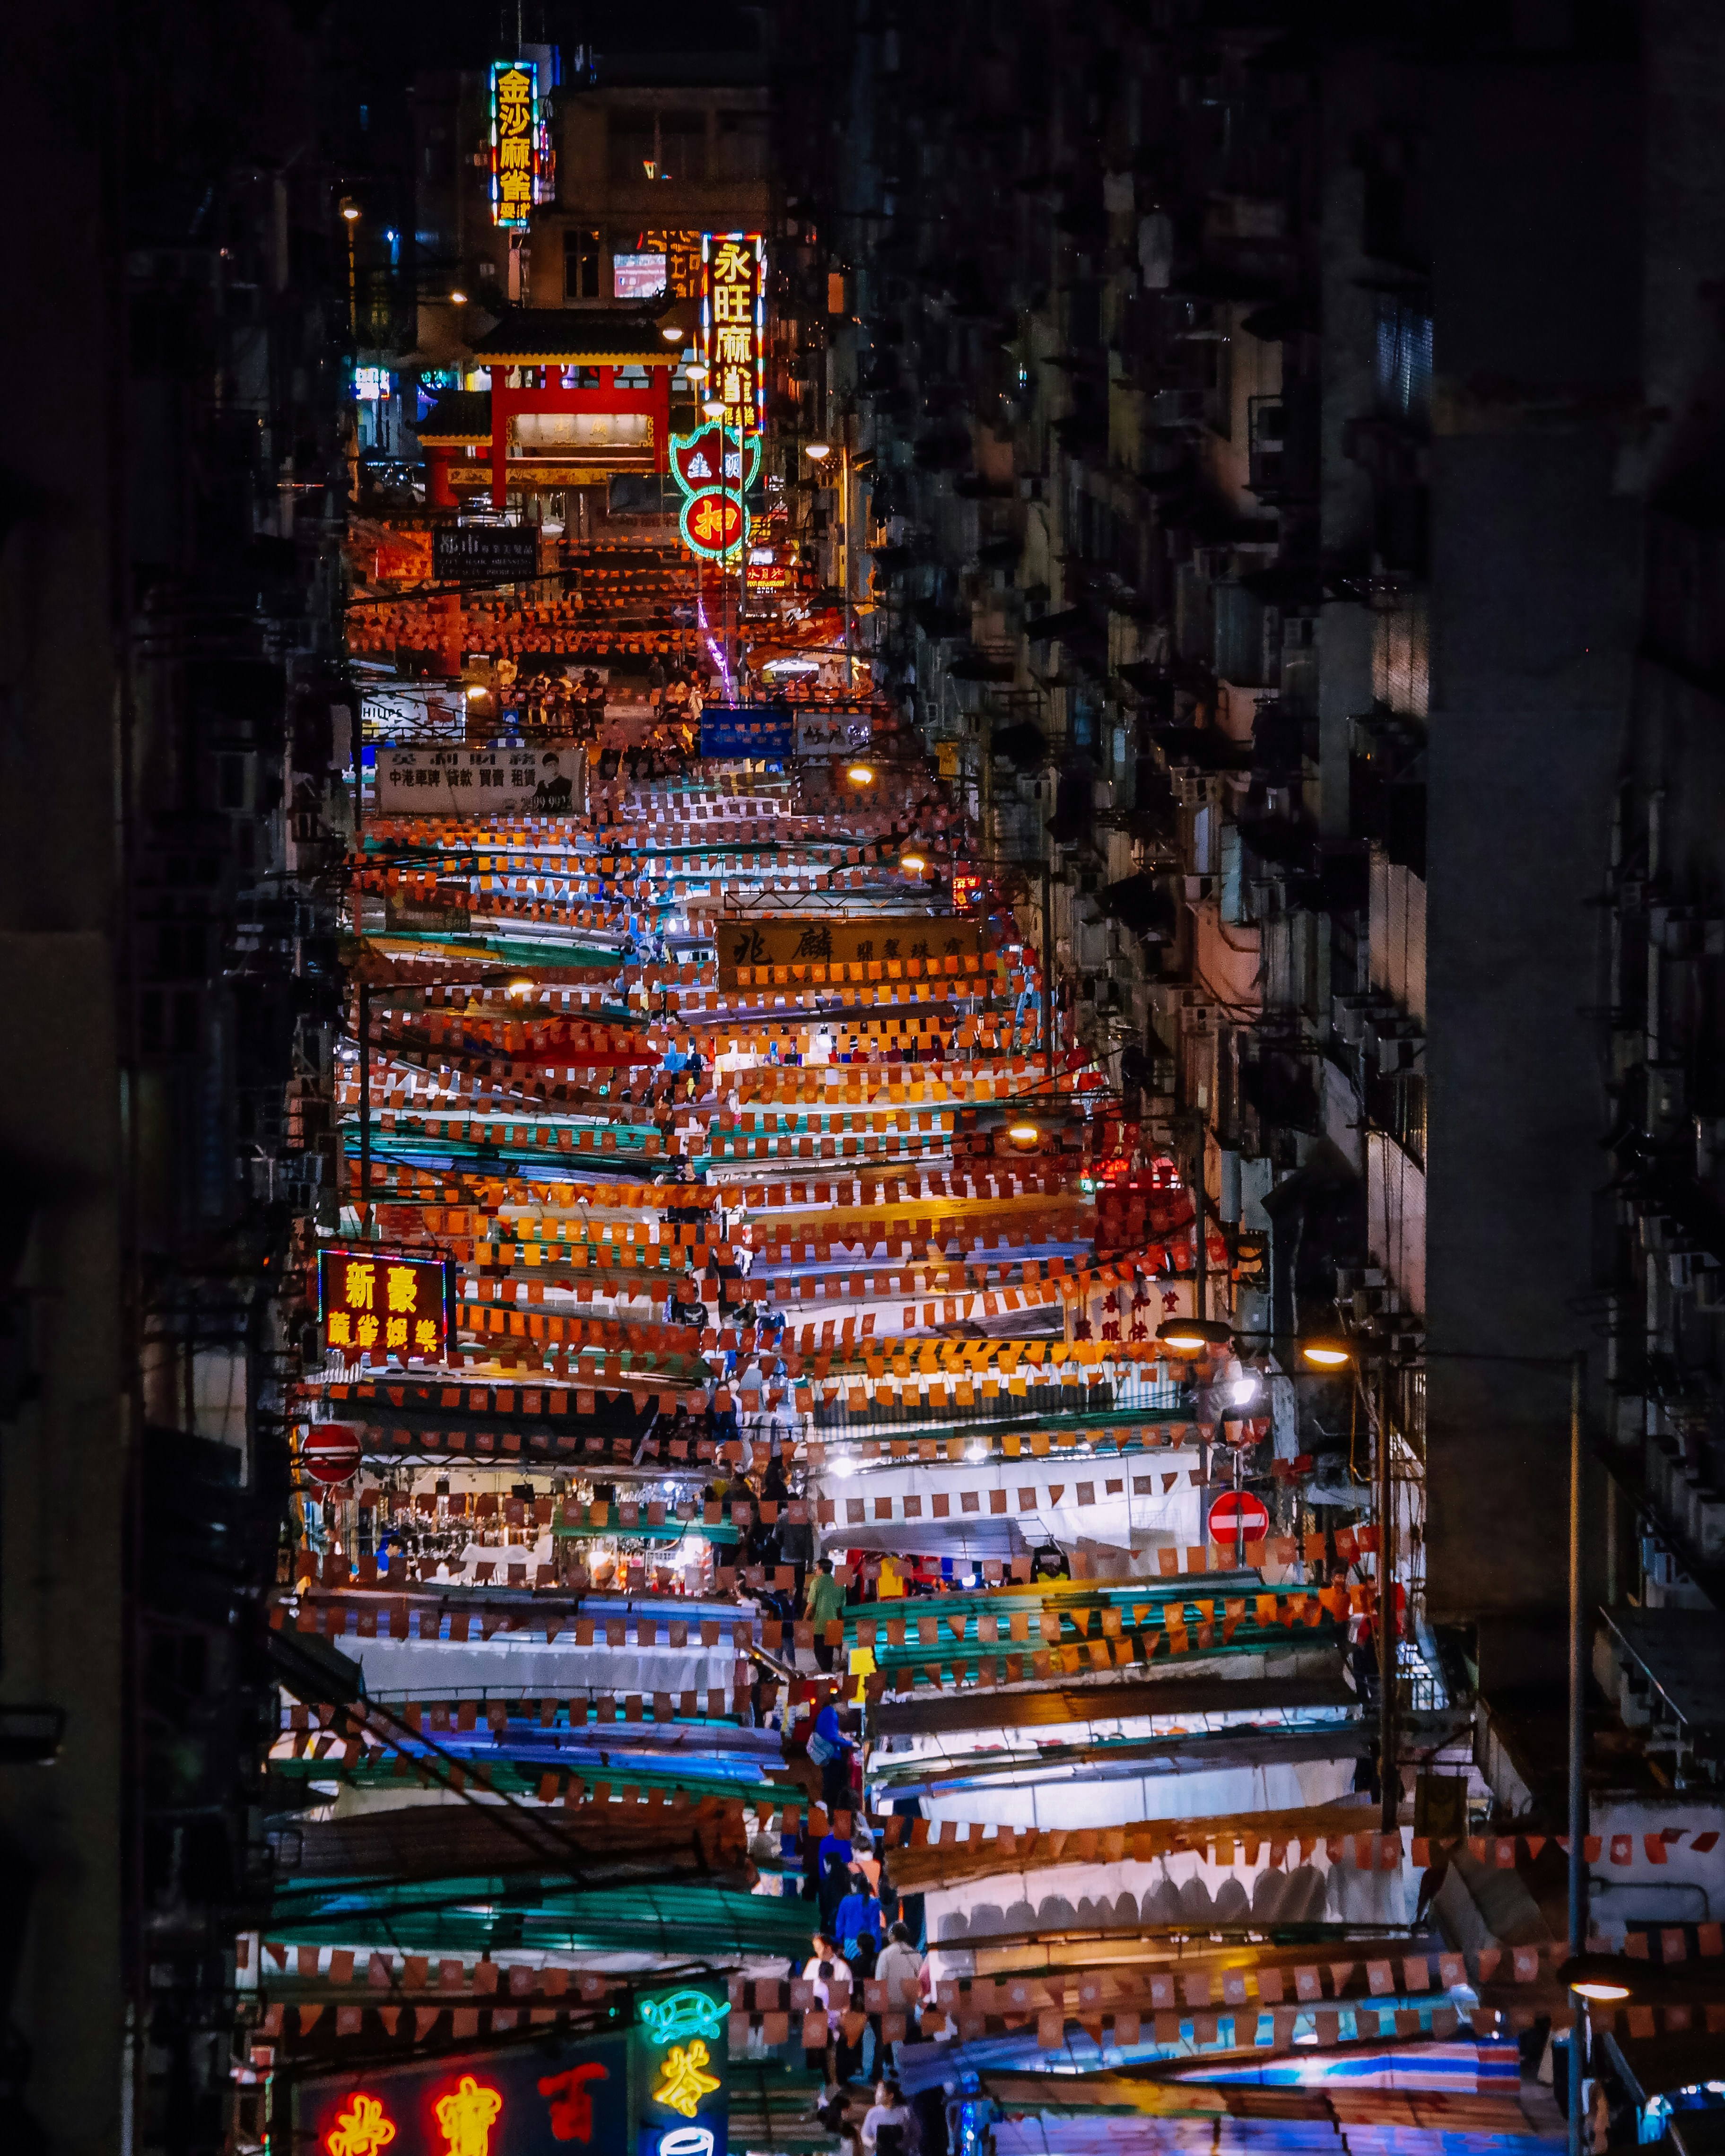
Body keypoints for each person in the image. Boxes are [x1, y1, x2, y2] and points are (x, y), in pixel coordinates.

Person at [808, 1696, 855, 1813]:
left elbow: (831, 1733)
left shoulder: (828, 1712)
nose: (846, 1711)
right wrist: (850, 1743)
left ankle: (832, 1811)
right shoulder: (830, 1713)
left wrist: (842, 1736)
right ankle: (834, 1812)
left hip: (831, 1756)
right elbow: (831, 1737)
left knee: (832, 1786)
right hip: (832, 1757)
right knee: (834, 1787)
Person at [874, 1921, 924, 2018]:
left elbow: (880, 1981)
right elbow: (921, 1979)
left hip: (892, 2005)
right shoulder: (916, 1953)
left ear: (893, 1936)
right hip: (911, 2004)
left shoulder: (885, 1954)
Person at [805, 1556, 845, 1672]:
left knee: (819, 1650)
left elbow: (811, 1604)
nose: (816, 1571)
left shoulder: (816, 1583)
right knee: (829, 1651)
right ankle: (828, 1671)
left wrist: (804, 1619)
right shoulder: (839, 1584)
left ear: (821, 1569)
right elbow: (841, 1607)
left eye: (817, 1568)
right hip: (833, 1623)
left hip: (820, 1625)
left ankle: (826, 1672)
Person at [861, 2080, 918, 2156]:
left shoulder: (906, 2111)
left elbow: (917, 2133)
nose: (876, 2095)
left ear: (890, 2095)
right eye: (876, 2092)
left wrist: (906, 2145)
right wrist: (874, 2145)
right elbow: (865, 2135)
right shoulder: (873, 2113)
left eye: (879, 2092)